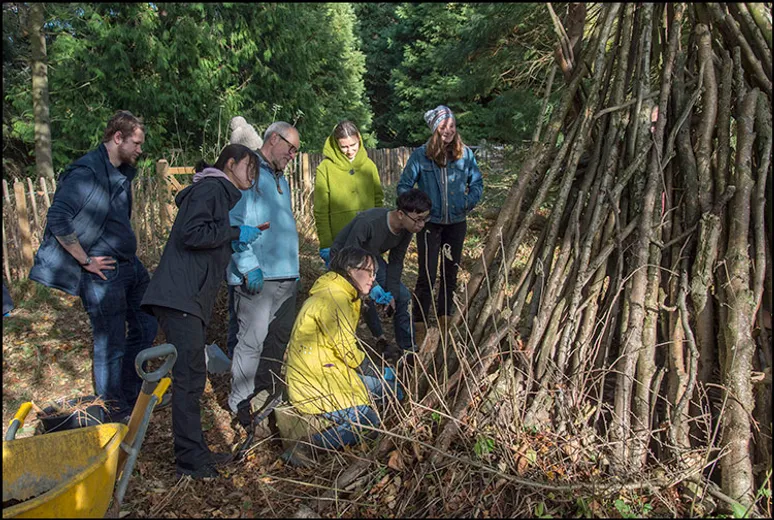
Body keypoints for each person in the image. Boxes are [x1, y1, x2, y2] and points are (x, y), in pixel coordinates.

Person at [141, 143, 261, 479]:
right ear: (231, 163)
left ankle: (196, 454)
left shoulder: (216, 193)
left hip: (185, 299)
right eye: (248, 167)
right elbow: (192, 233)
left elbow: (203, 236)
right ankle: (189, 462)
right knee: (190, 380)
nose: (252, 175)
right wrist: (234, 232)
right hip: (180, 298)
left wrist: (228, 240)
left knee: (191, 378)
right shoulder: (211, 189)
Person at [29, 110, 158, 422]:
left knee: (147, 324)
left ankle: (131, 392)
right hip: (103, 273)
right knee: (110, 342)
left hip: (130, 265)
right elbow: (58, 219)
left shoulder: (121, 171)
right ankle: (114, 412)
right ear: (118, 138)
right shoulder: (85, 173)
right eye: (136, 143)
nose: (141, 149)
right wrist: (84, 260)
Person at [282, 246, 404, 467]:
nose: (372, 279)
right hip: (315, 381)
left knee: (393, 390)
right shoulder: (334, 299)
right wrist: (373, 371)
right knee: (368, 420)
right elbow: (347, 350)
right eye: (367, 272)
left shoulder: (343, 293)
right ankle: (308, 447)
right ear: (349, 270)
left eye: (374, 273)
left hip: (331, 370)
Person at [227, 122, 301, 429]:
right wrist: (247, 264)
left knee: (278, 339)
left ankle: (266, 393)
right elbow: (232, 221)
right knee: (251, 341)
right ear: (273, 139)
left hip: (287, 275)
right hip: (258, 276)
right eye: (291, 148)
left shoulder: (278, 176)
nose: (293, 155)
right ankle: (240, 404)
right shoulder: (249, 169)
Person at [397, 105, 483, 344]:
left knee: (449, 273)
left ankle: (445, 325)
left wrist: (466, 202)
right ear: (435, 129)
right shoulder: (421, 156)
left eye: (452, 126)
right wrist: (418, 211)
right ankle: (420, 326)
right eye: (444, 127)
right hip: (430, 225)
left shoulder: (464, 154)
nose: (449, 131)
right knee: (426, 274)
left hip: (456, 223)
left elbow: (477, 183)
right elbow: (404, 187)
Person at [330, 189, 432, 352]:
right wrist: (374, 285)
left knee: (403, 296)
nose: (421, 225)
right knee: (362, 295)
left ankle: (408, 350)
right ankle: (375, 339)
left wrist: (391, 294)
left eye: (425, 219)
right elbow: (350, 257)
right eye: (418, 220)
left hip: (371, 257)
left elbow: (396, 262)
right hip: (344, 256)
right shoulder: (369, 222)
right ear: (400, 214)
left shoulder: (407, 229)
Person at [313, 120, 383, 268]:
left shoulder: (369, 166)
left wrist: (378, 233)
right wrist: (326, 243)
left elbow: (378, 201)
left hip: (368, 239)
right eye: (344, 146)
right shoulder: (325, 168)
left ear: (359, 140)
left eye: (353, 145)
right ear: (336, 144)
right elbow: (321, 210)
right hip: (340, 241)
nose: (349, 150)